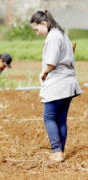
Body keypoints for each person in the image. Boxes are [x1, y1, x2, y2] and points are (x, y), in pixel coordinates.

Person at [30, 10, 82, 162]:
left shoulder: (53, 37)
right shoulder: (62, 34)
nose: (37, 33)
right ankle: (61, 151)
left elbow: (51, 62)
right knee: (61, 119)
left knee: (49, 117)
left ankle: (56, 152)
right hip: (69, 82)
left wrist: (43, 72)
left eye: (36, 29)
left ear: (43, 24)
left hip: (58, 83)